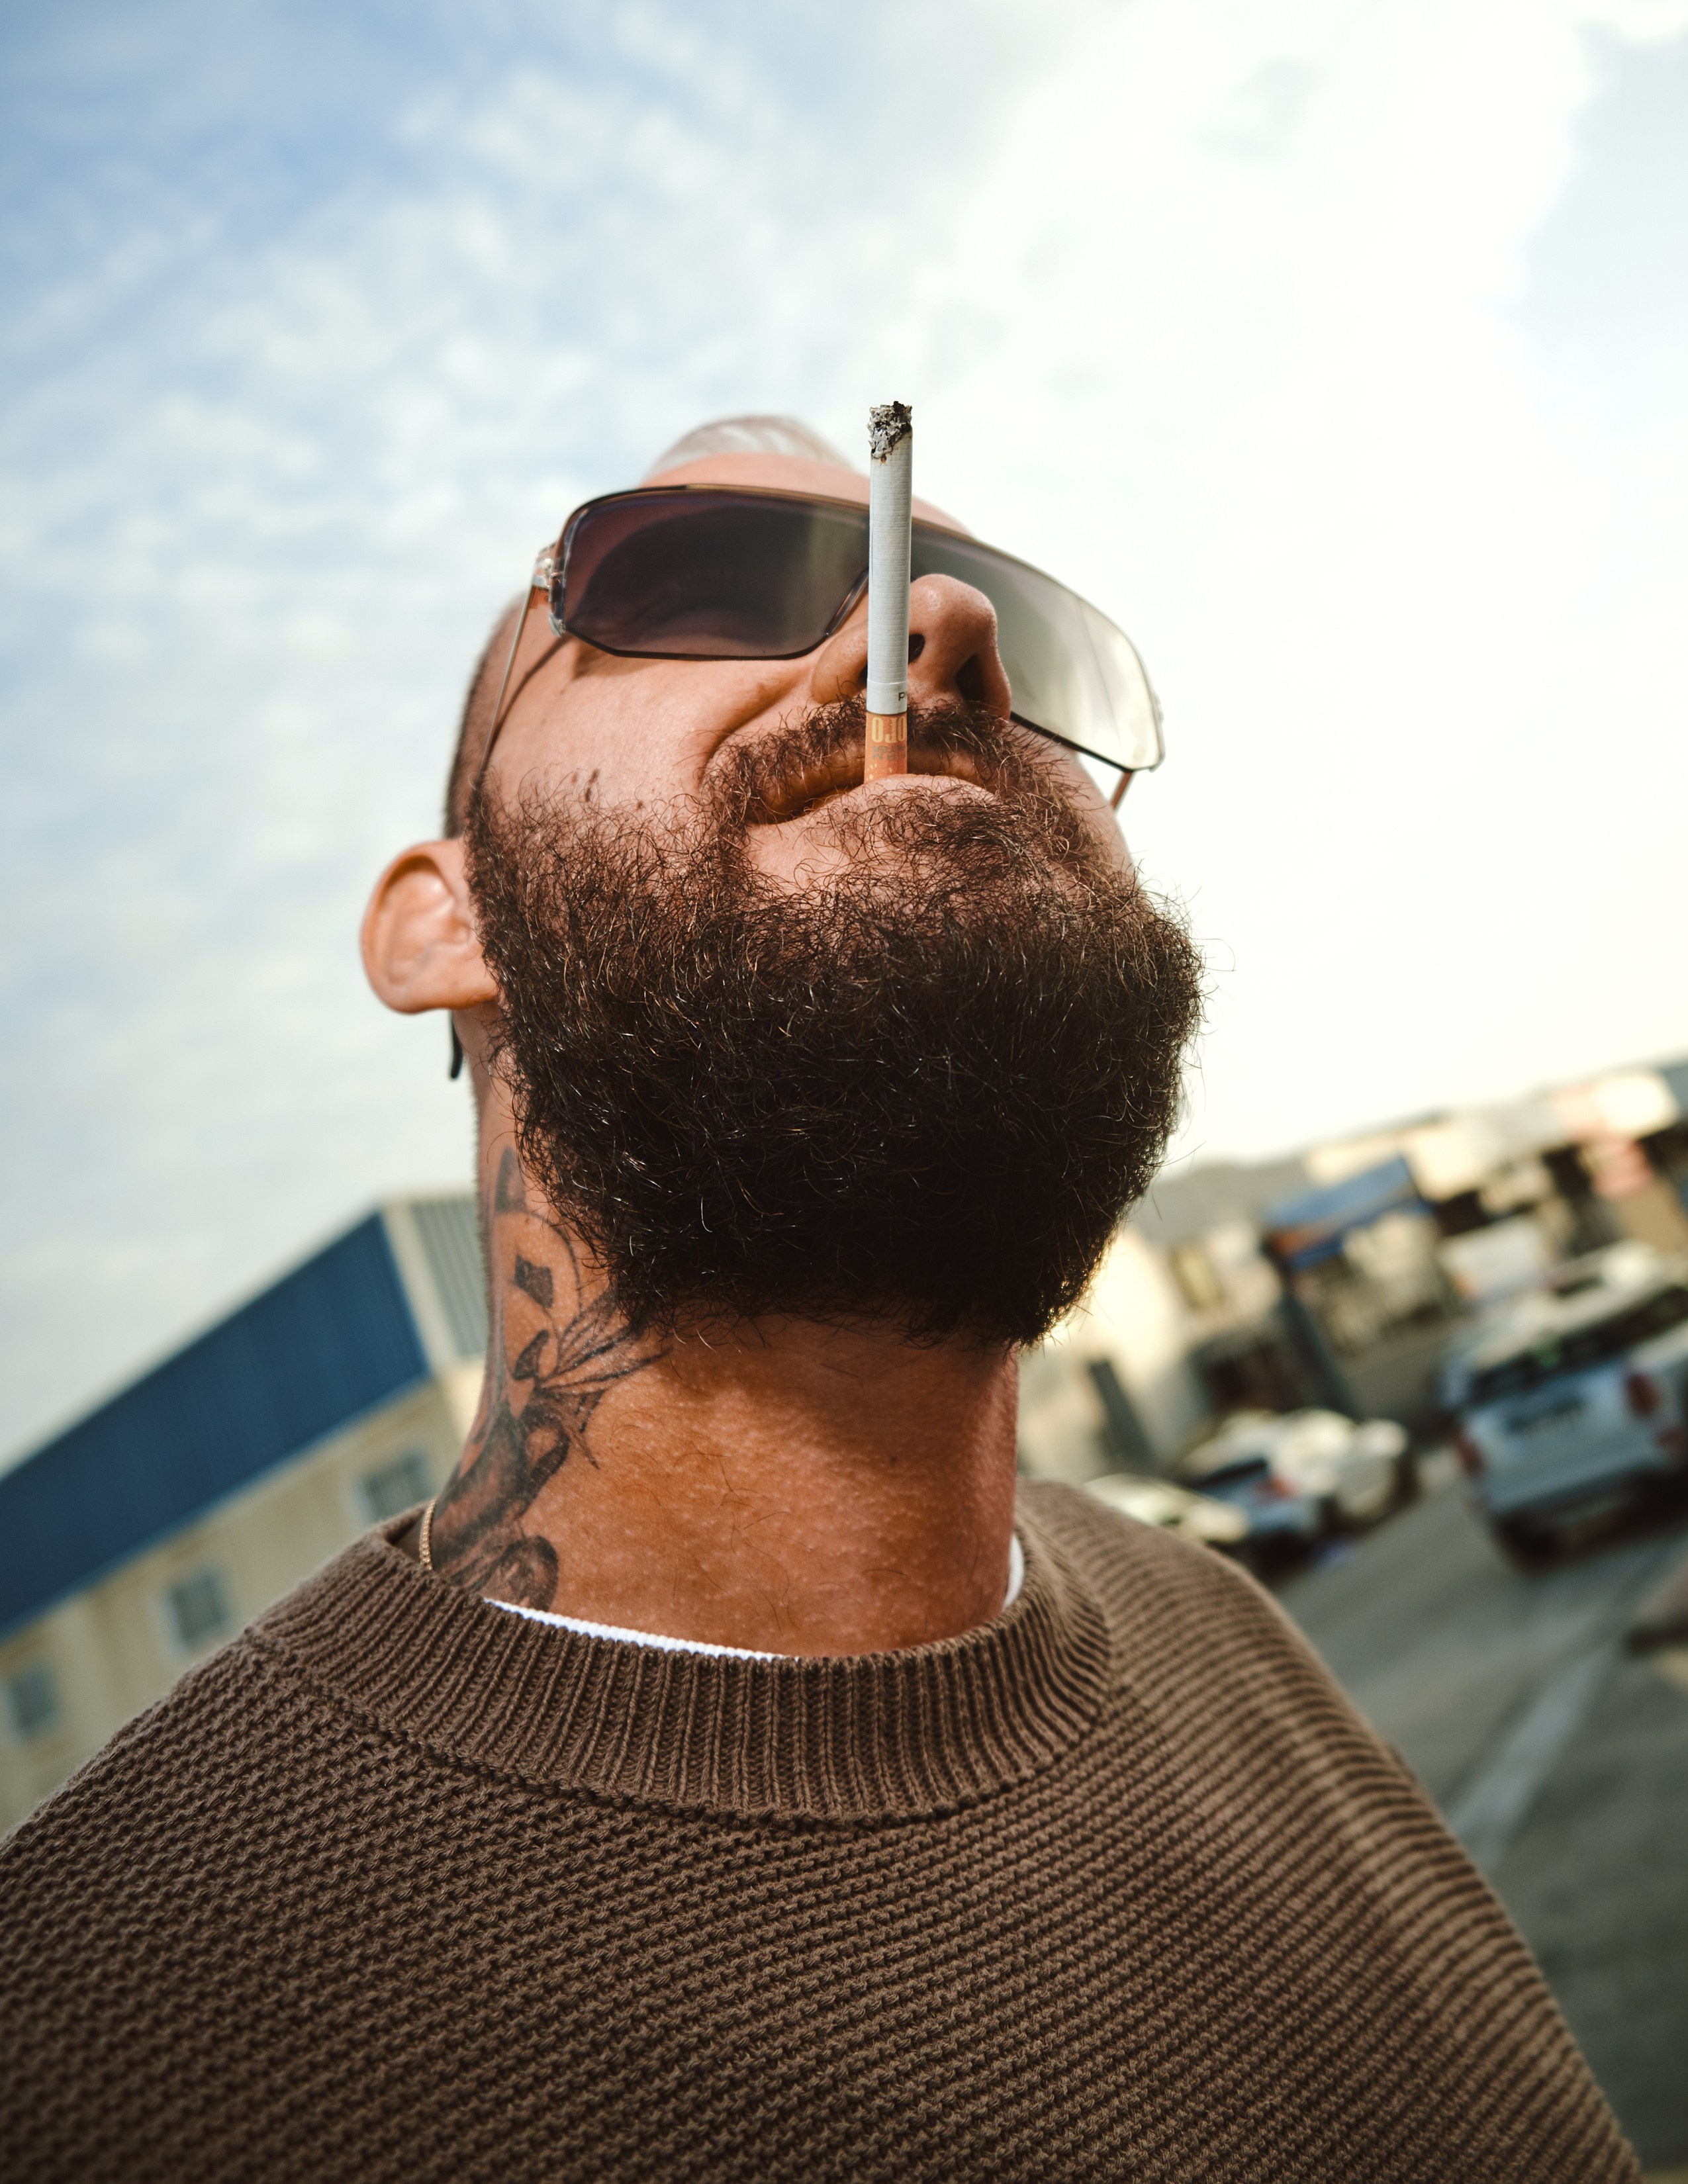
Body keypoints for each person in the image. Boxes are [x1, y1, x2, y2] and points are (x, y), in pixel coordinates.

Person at [0, 416, 1638, 2183]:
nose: (933, 626)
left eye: (1024, 626)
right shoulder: (90, 2044)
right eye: (703, 580)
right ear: (437, 924)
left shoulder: (1222, 1633)